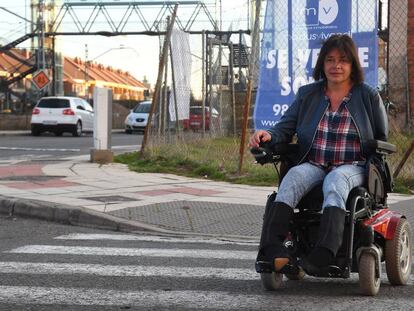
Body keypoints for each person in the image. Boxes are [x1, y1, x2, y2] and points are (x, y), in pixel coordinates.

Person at [250, 34, 388, 274]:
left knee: (335, 181)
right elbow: (285, 127)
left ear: (353, 64)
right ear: (322, 64)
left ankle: (326, 251)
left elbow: (381, 138)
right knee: (292, 179)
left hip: (352, 165)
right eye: (330, 60)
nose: (336, 66)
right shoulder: (308, 94)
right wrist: (269, 135)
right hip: (314, 162)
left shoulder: (367, 95)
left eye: (343, 60)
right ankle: (271, 250)